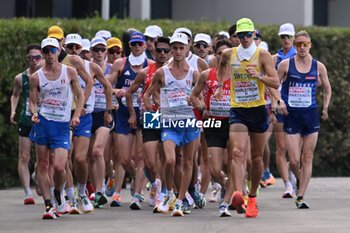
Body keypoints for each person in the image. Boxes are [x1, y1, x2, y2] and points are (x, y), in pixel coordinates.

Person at [214, 18, 280, 218]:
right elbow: (222, 67)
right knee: (236, 152)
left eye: (247, 34)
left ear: (254, 35)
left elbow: (275, 82)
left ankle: (252, 198)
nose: (243, 38)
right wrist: (219, 85)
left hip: (258, 109)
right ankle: (238, 193)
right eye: (240, 35)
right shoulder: (228, 54)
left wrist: (258, 76)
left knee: (256, 159)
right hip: (238, 110)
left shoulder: (263, 55)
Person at [144, 32, 200, 217]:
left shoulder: (193, 73)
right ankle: (168, 193)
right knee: (170, 160)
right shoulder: (162, 72)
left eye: (180, 48)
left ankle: (180, 200)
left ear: (187, 49)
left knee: (188, 162)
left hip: (190, 123)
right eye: (173, 48)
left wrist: (196, 102)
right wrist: (154, 111)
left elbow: (200, 99)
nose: (177, 51)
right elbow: (147, 94)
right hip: (169, 123)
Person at [29, 38, 84, 219]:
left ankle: (58, 193)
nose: (50, 54)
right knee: (43, 165)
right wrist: (34, 113)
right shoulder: (36, 77)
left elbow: (80, 95)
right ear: (43, 53)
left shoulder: (70, 72)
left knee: (60, 167)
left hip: (62, 124)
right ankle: (47, 206)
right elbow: (32, 101)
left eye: (53, 50)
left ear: (59, 50)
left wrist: (75, 116)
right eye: (46, 51)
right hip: (43, 123)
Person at [278, 30, 331, 208]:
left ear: (310, 45)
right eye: (298, 44)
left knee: (307, 156)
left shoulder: (319, 66)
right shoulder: (285, 65)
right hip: (291, 116)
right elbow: (274, 86)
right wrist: (278, 102)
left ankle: (300, 196)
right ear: (295, 46)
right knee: (294, 160)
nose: (302, 47)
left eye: (305, 44)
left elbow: (327, 88)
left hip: (310, 115)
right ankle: (299, 180)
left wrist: (325, 107)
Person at [108, 32, 153, 210]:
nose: (136, 47)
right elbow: (106, 84)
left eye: (139, 44)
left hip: (146, 113)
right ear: (129, 46)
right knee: (124, 158)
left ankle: (137, 194)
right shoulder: (120, 63)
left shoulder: (151, 65)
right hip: (124, 113)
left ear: (144, 45)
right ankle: (144, 179)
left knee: (142, 157)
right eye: (133, 44)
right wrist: (117, 91)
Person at [191, 39, 235, 217]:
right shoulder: (206, 74)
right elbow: (194, 96)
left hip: (233, 123)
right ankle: (226, 186)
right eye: (220, 54)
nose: (224, 58)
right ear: (214, 55)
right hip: (213, 123)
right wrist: (202, 109)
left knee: (233, 163)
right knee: (215, 169)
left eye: (227, 55)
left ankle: (227, 202)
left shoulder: (237, 75)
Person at [126, 36, 171, 209]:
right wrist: (132, 114)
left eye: (166, 51)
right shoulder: (145, 72)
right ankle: (154, 183)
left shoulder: (177, 71)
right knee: (149, 160)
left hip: (171, 117)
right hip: (151, 116)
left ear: (171, 52)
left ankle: (165, 194)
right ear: (153, 51)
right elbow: (129, 92)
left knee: (168, 159)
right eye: (159, 50)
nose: (162, 53)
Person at [10, 44, 42, 205]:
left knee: (42, 158)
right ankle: (28, 192)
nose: (35, 61)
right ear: (27, 59)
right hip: (26, 119)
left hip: (43, 120)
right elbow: (15, 95)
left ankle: (37, 175)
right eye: (32, 57)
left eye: (38, 57)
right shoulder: (20, 78)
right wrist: (13, 111)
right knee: (24, 156)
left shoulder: (48, 75)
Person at [270, 23, 298, 196]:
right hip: (280, 105)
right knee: (281, 147)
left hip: (297, 107)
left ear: (294, 37)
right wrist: (274, 105)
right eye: (283, 37)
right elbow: (271, 84)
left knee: (295, 150)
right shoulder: (274, 58)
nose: (286, 39)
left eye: (289, 36)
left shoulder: (302, 55)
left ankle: (293, 171)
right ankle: (287, 184)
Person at [88, 37, 114, 208]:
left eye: (102, 50)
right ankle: (94, 189)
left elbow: (116, 88)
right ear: (91, 51)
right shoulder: (86, 68)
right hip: (87, 114)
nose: (99, 53)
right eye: (95, 50)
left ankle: (100, 190)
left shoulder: (113, 68)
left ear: (106, 51)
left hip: (104, 115)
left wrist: (109, 108)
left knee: (98, 151)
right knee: (89, 156)